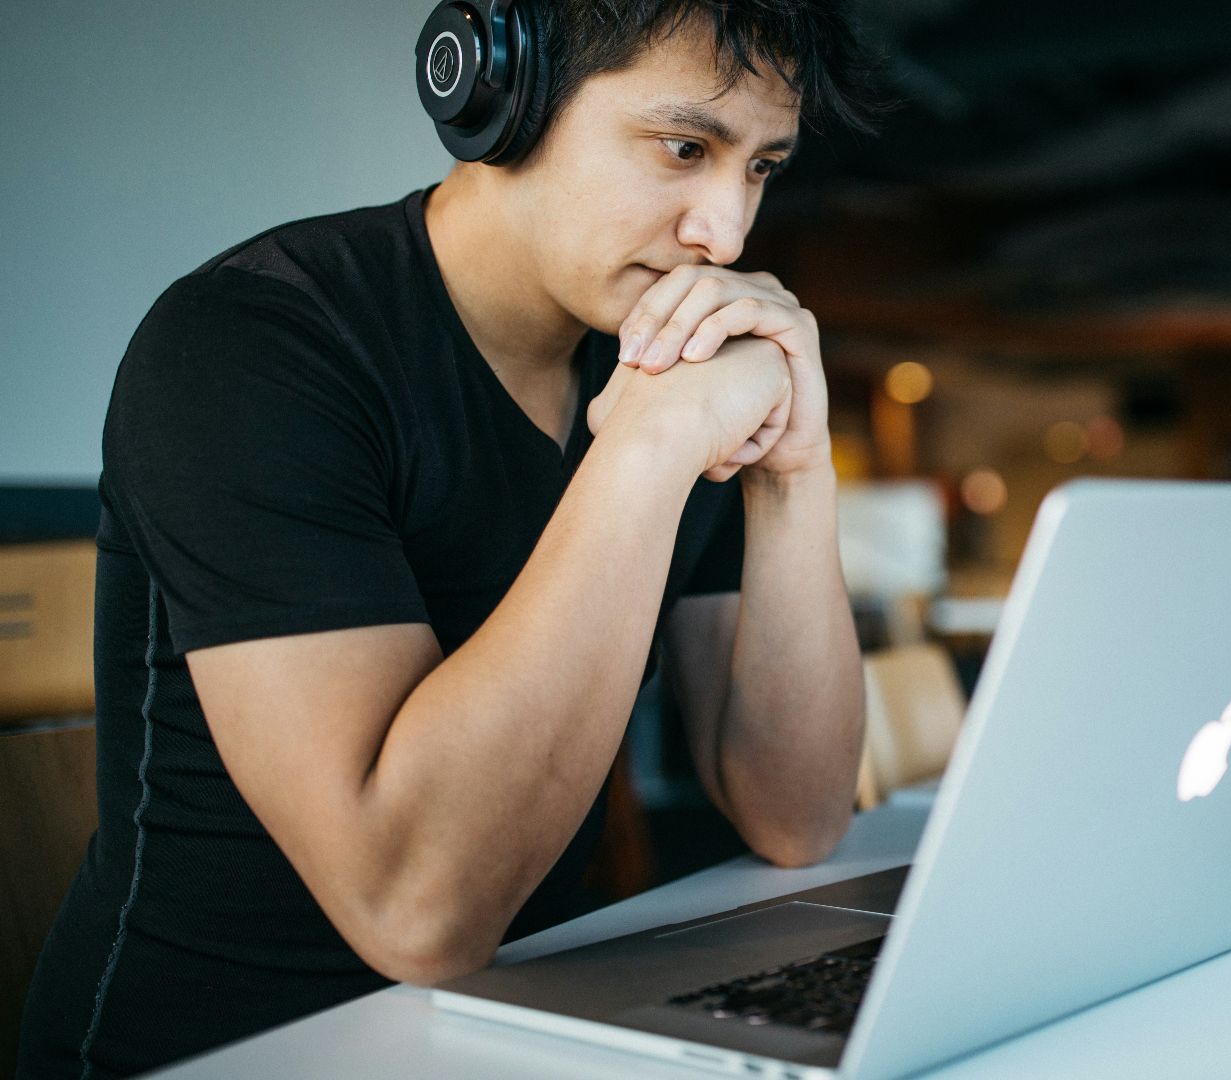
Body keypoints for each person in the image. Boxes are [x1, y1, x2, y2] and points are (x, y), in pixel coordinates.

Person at [18, 2, 888, 1076]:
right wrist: (647, 452)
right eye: (684, 148)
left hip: (508, 1028)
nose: (727, 232)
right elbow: (414, 914)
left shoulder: (665, 360)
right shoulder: (250, 347)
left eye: (761, 167)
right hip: (224, 1048)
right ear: (499, 97)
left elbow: (796, 817)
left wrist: (793, 470)